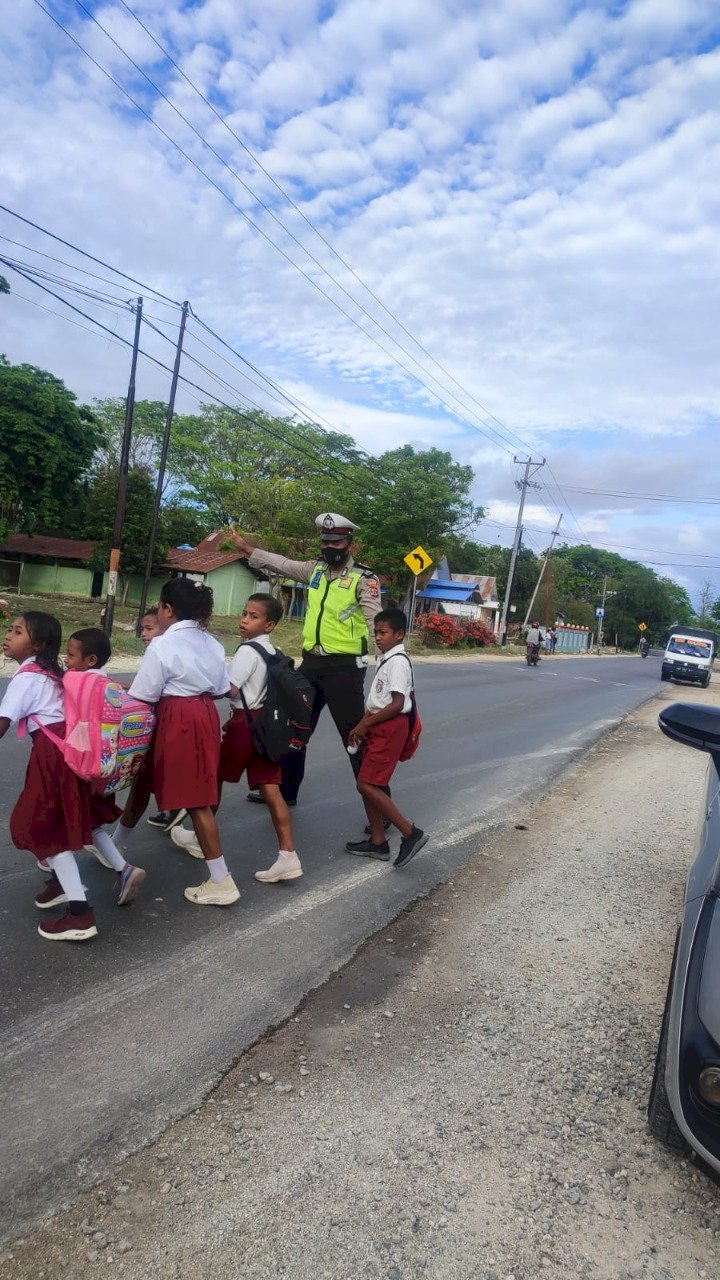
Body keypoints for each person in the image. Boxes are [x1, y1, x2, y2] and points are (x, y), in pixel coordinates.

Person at [229, 513, 383, 807]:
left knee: (354, 738)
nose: (329, 547)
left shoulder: (364, 579)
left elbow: (375, 619)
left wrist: (388, 660)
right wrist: (248, 549)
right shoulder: (315, 570)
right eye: (325, 541)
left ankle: (379, 809)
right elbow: (282, 564)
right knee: (295, 730)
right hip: (311, 665)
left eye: (336, 541)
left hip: (345, 669)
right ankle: (286, 791)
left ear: (349, 543)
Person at [0, 612, 132, 943]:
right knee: (58, 822)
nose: (8, 635)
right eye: (10, 629)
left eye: (18, 632)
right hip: (69, 752)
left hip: (52, 757)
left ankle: (80, 914)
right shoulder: (53, 672)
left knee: (45, 827)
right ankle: (62, 882)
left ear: (40, 644)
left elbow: (2, 724)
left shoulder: (28, 678)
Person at [171, 593, 303, 884]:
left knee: (212, 778)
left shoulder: (247, 651)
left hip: (244, 725)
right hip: (266, 727)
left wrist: (199, 686)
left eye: (253, 616)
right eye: (244, 613)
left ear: (269, 625)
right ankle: (288, 855)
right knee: (270, 788)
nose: (244, 620)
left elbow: (230, 689)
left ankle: (197, 836)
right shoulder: (274, 651)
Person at [128, 578, 239, 907]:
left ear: (167, 609)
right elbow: (221, 686)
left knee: (195, 799)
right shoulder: (213, 643)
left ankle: (221, 880)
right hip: (205, 713)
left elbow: (144, 695)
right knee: (148, 778)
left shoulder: (162, 645)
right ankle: (115, 843)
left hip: (176, 716)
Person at [64, 627, 146, 902]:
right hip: (106, 767)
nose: (66, 660)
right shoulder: (106, 684)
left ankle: (71, 897)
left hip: (79, 765)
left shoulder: (76, 681)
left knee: (57, 822)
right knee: (91, 821)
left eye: (71, 655)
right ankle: (124, 869)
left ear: (90, 660)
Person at [344, 608, 428, 868]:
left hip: (390, 727)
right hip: (378, 725)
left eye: (383, 633)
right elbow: (378, 701)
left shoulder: (399, 661)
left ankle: (410, 833)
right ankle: (378, 842)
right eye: (376, 632)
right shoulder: (386, 659)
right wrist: (361, 725)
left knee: (367, 785)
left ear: (399, 634)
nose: (377, 637)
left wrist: (367, 723)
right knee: (369, 784)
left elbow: (397, 703)